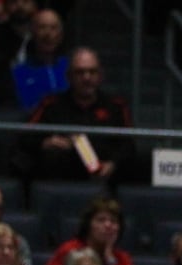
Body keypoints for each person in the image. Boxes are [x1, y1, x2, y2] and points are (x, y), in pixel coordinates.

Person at [20, 48, 136, 183]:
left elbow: (129, 145)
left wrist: (113, 163)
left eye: (92, 72)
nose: (86, 78)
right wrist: (44, 143)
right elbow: (25, 136)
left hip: (105, 176)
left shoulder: (117, 106)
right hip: (61, 177)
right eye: (80, 72)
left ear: (100, 76)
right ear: (69, 76)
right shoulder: (50, 104)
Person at [43, 198, 139, 265]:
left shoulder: (121, 258)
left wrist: (110, 260)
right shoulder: (70, 251)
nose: (108, 225)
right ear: (88, 225)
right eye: (101, 220)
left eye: (113, 221)